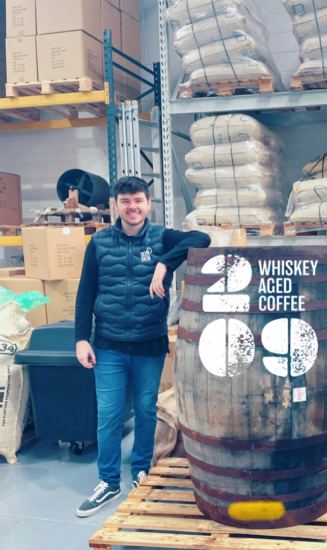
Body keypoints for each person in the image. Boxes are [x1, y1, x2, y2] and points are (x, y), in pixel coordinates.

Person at [74, 176, 211, 517]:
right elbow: (85, 293)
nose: (132, 207)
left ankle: (140, 472)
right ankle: (107, 481)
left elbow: (202, 238)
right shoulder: (100, 242)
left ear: (148, 204)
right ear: (115, 206)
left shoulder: (163, 237)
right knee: (108, 416)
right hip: (108, 346)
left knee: (146, 411)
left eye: (138, 200)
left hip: (149, 345)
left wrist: (166, 262)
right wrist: (80, 339)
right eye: (125, 201)